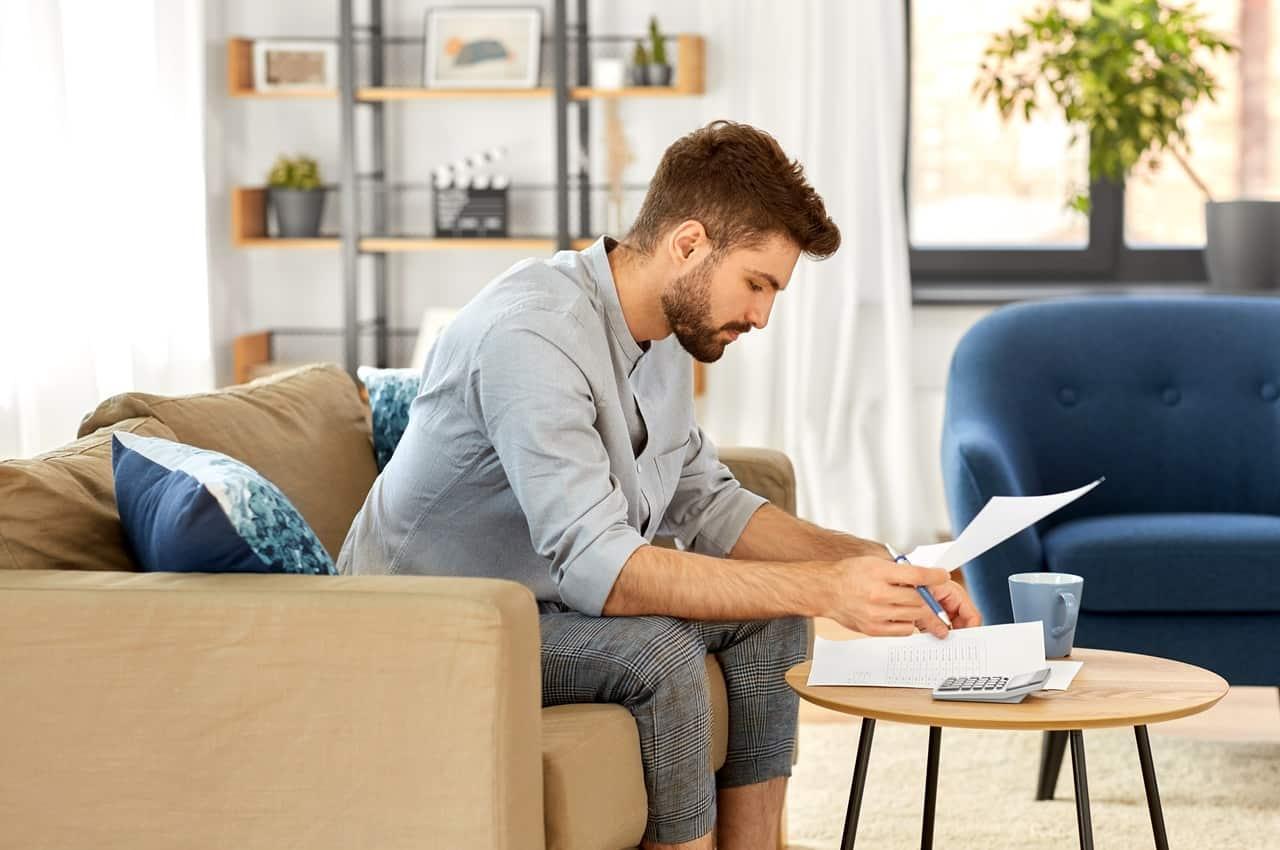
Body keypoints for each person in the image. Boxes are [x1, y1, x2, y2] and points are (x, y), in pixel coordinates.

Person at [337, 120, 981, 850]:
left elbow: (705, 499)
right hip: (424, 622)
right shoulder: (532, 337)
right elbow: (604, 573)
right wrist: (826, 589)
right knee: (661, 656)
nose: (763, 315)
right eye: (756, 284)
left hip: (538, 604)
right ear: (688, 245)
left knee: (775, 623)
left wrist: (875, 563)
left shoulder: (665, 331)